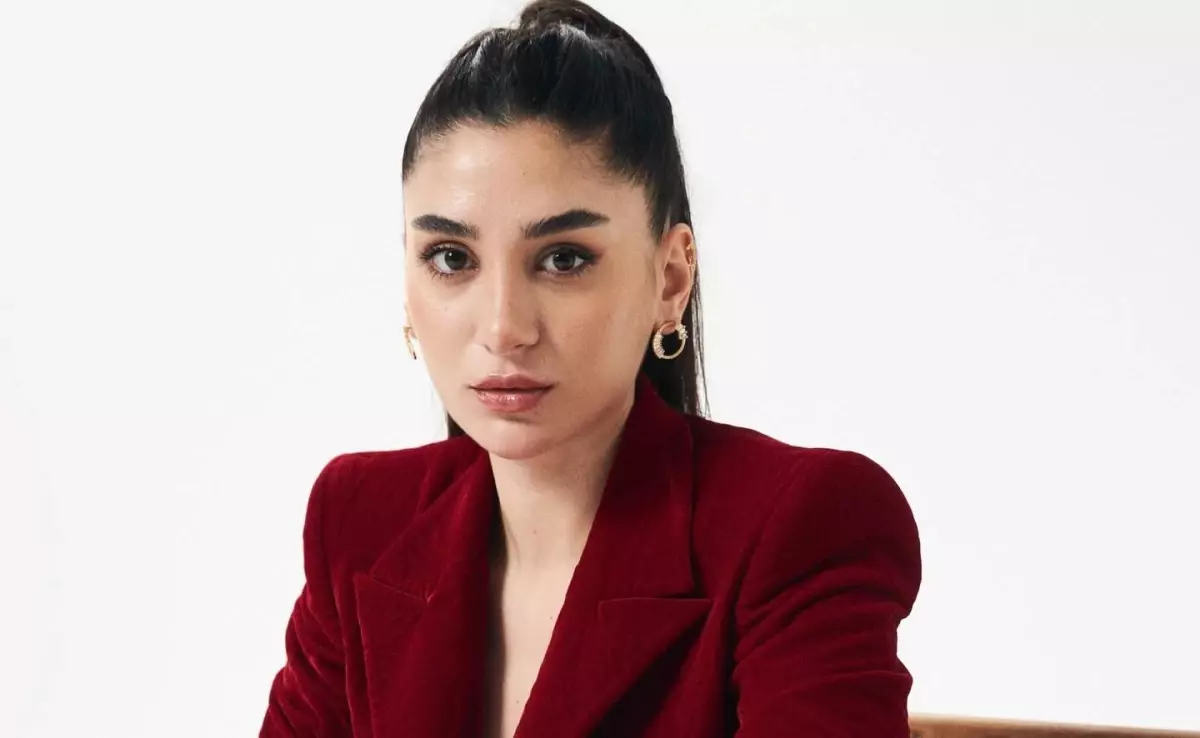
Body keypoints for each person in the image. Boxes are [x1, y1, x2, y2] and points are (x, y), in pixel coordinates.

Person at [259, 1, 921, 736]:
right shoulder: (360, 521)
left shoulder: (802, 527)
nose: (503, 327)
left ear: (670, 279)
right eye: (451, 257)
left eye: (564, 259)